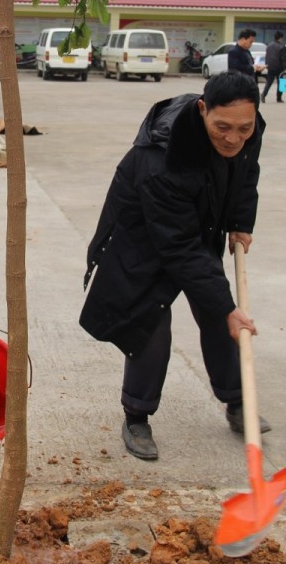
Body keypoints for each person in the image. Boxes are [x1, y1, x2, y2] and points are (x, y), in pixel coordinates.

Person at [79, 71, 270, 461]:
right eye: (222, 127)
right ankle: (136, 416)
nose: (233, 138)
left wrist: (241, 222)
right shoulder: (161, 160)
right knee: (150, 328)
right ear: (202, 110)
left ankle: (237, 402)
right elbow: (178, 248)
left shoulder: (246, 128)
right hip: (143, 240)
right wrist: (227, 306)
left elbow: (246, 171)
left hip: (199, 224)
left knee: (220, 313)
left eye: (243, 129)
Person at [261, 31, 286, 104]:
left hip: (270, 67)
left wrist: (267, 64)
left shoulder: (269, 45)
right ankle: (279, 98)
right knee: (281, 82)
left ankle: (264, 94)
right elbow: (283, 58)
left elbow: (267, 56)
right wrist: (285, 68)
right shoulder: (282, 46)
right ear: (280, 38)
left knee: (269, 82)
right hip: (279, 67)